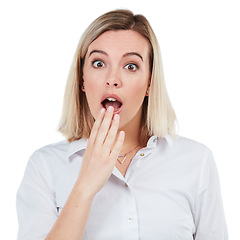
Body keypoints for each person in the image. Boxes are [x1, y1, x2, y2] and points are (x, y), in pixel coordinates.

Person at [16, 9, 228, 240]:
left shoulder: (196, 161)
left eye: (130, 66)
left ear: (149, 83)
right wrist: (85, 186)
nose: (112, 79)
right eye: (98, 63)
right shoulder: (44, 167)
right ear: (82, 79)